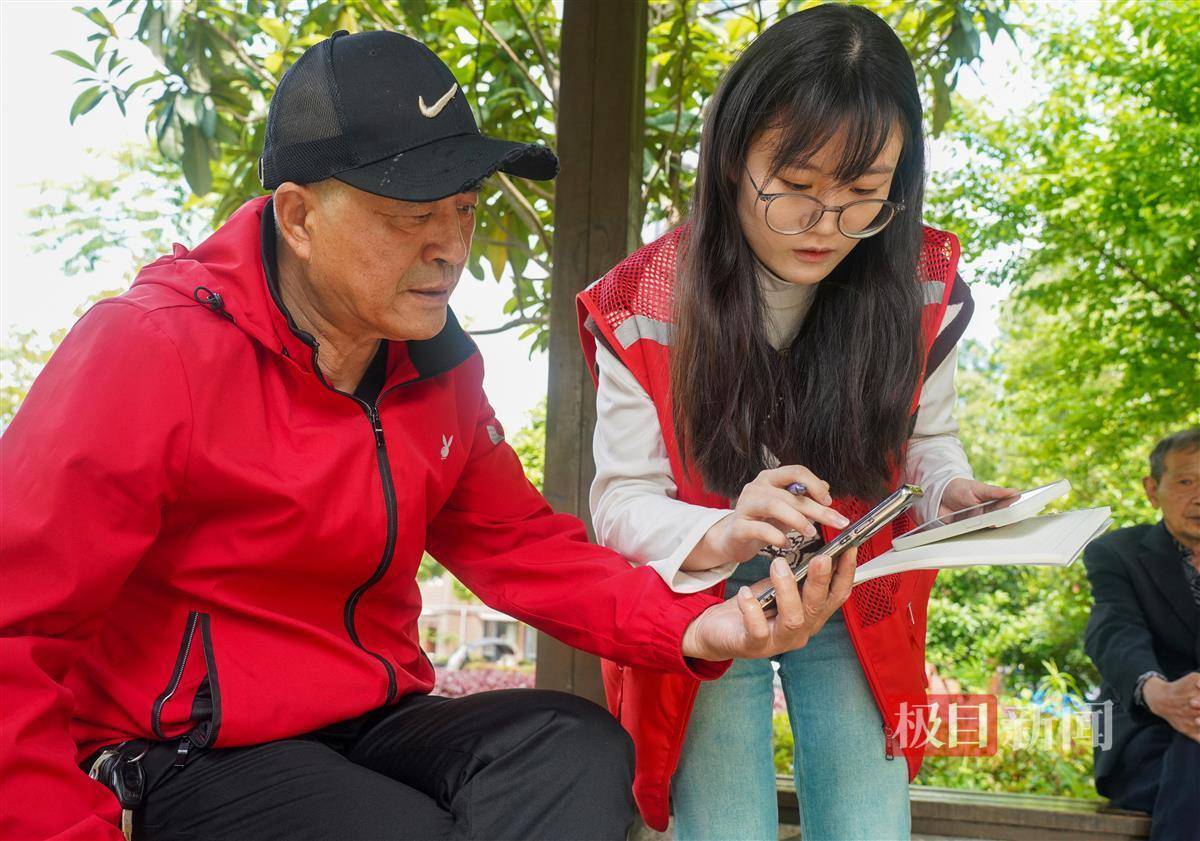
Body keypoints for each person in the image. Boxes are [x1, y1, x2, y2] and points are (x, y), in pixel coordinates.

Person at [0, 31, 850, 841]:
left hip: (370, 722)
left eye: (465, 208)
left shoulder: (435, 369)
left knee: (577, 753)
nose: (450, 247)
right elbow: (13, 628)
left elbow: (520, 546)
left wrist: (700, 625)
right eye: (411, 213)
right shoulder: (150, 349)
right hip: (183, 751)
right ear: (298, 217)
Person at [576, 6, 1016, 840]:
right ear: (731, 156)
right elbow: (621, 502)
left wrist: (948, 493)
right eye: (798, 189)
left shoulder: (926, 283)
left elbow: (925, 445)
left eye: (863, 196)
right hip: (704, 588)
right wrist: (729, 526)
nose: (826, 226)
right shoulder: (639, 303)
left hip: (855, 578)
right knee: (722, 824)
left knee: (868, 820)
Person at [1084, 427, 1200, 841]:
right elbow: (1114, 630)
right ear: (1153, 490)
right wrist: (1157, 692)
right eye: (1187, 481)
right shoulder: (1116, 554)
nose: (1199, 497)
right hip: (1144, 736)